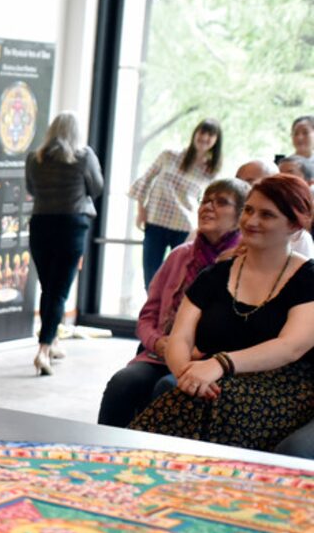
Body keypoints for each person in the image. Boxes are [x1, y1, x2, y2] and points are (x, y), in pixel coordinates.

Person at [130, 173, 314, 451]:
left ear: (293, 225)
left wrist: (220, 364)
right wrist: (187, 376)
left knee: (216, 405)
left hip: (288, 387)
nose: (251, 221)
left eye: (267, 215)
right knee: (184, 398)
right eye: (249, 210)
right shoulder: (214, 275)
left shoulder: (307, 277)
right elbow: (180, 338)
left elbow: (290, 347)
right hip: (217, 378)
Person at [97, 178, 247, 427]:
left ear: (240, 216)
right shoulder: (180, 255)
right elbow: (148, 316)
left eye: (221, 202)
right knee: (122, 383)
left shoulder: (244, 261)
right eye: (205, 201)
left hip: (211, 361)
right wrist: (160, 342)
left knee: (167, 387)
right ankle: (102, 454)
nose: (208, 207)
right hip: (161, 354)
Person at [24, 111, 103, 375]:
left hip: (41, 224)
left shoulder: (35, 158)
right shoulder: (84, 156)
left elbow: (31, 189)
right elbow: (97, 187)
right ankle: (44, 349)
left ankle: (53, 341)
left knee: (48, 287)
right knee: (58, 291)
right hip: (71, 225)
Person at [130, 119, 222, 288]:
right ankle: (152, 314)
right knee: (150, 277)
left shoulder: (210, 171)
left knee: (177, 279)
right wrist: (141, 210)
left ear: (216, 140)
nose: (205, 137)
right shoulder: (169, 155)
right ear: (195, 133)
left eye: (210, 134)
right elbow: (145, 180)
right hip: (156, 222)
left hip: (185, 227)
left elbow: (210, 202)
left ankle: (169, 314)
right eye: (202, 132)